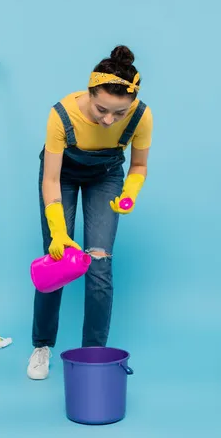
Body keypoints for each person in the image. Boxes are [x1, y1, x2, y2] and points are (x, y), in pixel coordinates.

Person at [27, 45, 153, 379]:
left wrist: (130, 191)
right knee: (57, 261)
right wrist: (57, 229)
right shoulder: (62, 115)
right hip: (62, 177)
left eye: (119, 113)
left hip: (106, 176)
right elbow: (51, 179)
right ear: (90, 91)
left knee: (99, 265)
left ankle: (92, 355)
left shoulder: (142, 115)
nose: (109, 120)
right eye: (101, 110)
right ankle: (42, 346)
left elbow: (138, 165)